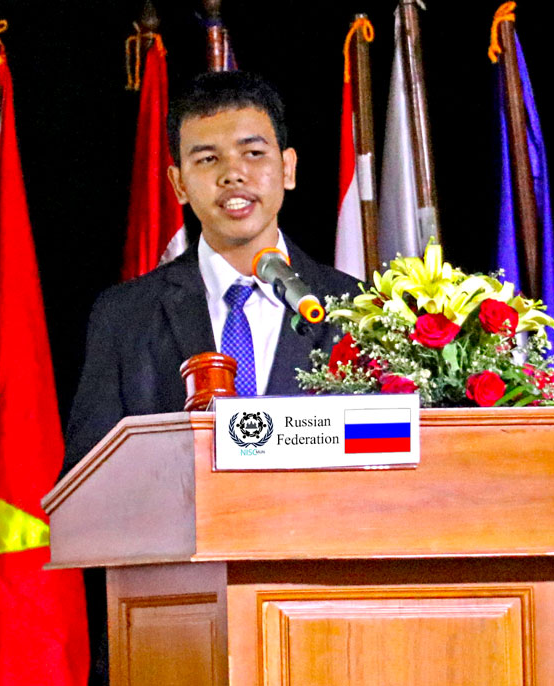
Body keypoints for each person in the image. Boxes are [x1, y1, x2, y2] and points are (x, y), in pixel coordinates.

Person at [62, 70, 359, 684]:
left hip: (329, 628)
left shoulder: (355, 308)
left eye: (254, 153)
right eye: (208, 158)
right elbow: (85, 483)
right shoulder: (125, 315)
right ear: (177, 182)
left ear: (289, 167)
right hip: (173, 630)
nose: (234, 175)